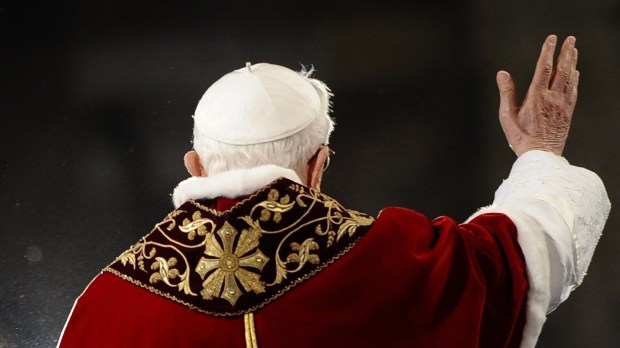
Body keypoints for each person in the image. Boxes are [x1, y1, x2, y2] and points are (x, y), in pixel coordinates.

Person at [57, 35, 610, 348]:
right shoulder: (388, 261)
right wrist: (541, 149)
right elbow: (519, 256)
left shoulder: (105, 305)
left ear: (194, 164)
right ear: (319, 164)